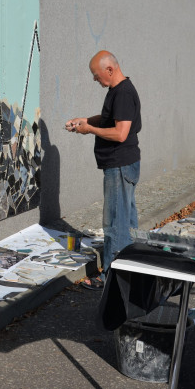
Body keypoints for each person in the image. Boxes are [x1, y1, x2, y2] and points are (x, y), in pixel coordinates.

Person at [65, 50, 142, 290]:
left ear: (110, 70)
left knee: (114, 223)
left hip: (119, 165)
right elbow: (110, 118)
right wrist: (86, 120)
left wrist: (89, 130)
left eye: (96, 75)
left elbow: (120, 133)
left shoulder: (123, 93)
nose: (94, 80)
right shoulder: (117, 91)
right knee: (127, 220)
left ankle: (110, 276)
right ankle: (132, 269)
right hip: (123, 165)